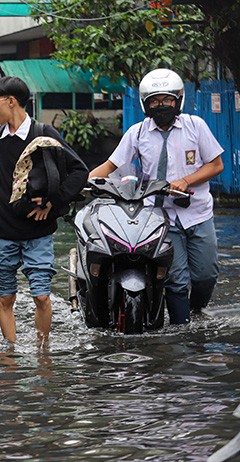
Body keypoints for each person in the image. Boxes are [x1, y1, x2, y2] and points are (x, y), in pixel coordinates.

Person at [89, 68, 223, 324]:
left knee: (206, 275)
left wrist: (186, 181)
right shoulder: (138, 133)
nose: (161, 106)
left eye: (167, 100)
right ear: (145, 104)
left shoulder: (196, 126)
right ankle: (181, 330)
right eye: (155, 101)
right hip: (160, 217)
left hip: (198, 212)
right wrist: (83, 183)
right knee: (176, 279)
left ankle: (197, 312)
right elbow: (110, 166)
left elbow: (216, 165)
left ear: (178, 100)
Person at [0, 76, 88, 345]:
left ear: (11, 101)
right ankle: (11, 355)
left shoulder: (44, 134)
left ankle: (42, 351)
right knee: (6, 297)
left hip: (38, 232)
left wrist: (53, 204)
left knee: (42, 296)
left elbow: (79, 171)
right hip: (2, 230)